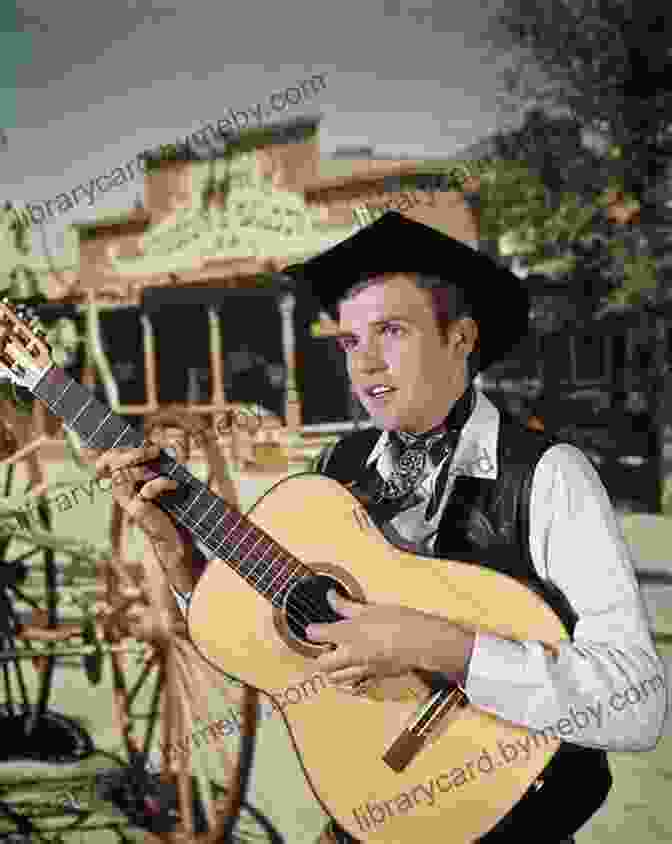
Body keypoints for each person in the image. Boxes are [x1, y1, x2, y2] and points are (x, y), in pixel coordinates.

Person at [81, 212, 667, 843]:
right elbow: (261, 640)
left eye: (391, 331)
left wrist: (438, 646)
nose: (365, 365)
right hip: (364, 810)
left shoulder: (548, 476)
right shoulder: (334, 473)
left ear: (460, 337)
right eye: (351, 342)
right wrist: (180, 561)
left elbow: (636, 705)